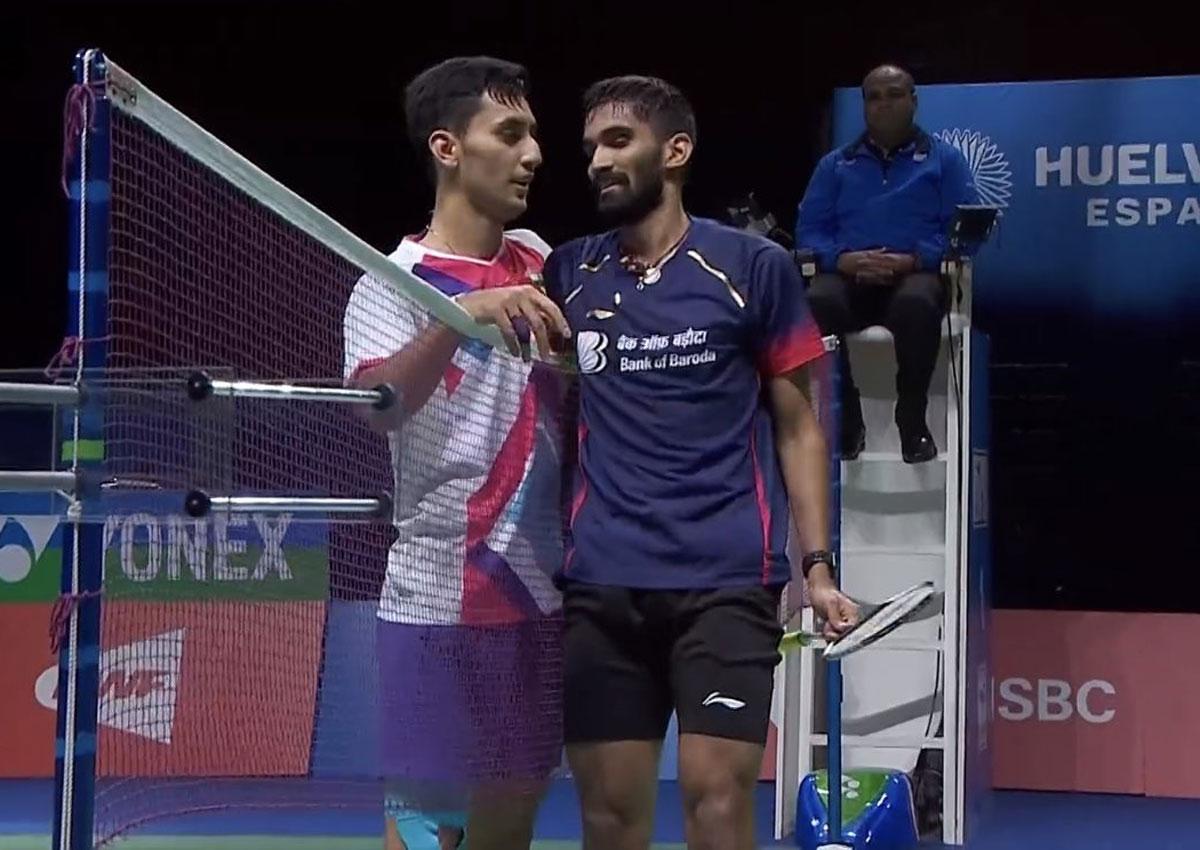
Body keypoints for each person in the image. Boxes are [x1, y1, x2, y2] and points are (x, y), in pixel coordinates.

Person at [542, 76, 860, 850]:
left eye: (618, 142)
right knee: (610, 819)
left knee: (717, 808)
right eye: (590, 149)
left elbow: (800, 428)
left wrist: (816, 567)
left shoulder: (752, 268)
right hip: (604, 586)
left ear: (675, 151)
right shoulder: (569, 272)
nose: (596, 162)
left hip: (724, 583)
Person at [342, 56, 571, 850]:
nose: (534, 153)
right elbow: (381, 408)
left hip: (537, 595)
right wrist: (460, 314)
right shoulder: (390, 283)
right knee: (425, 832)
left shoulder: (545, 260)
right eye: (509, 134)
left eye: (533, 134)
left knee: (508, 832)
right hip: (435, 598)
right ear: (448, 148)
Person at [795, 64, 977, 463]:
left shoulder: (944, 161)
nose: (883, 105)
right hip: (850, 279)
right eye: (873, 97)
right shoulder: (834, 166)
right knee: (815, 302)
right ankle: (847, 422)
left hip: (914, 278)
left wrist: (912, 259)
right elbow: (809, 232)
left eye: (894, 95)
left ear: (913, 101)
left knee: (916, 303)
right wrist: (841, 261)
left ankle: (911, 422)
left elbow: (963, 231)